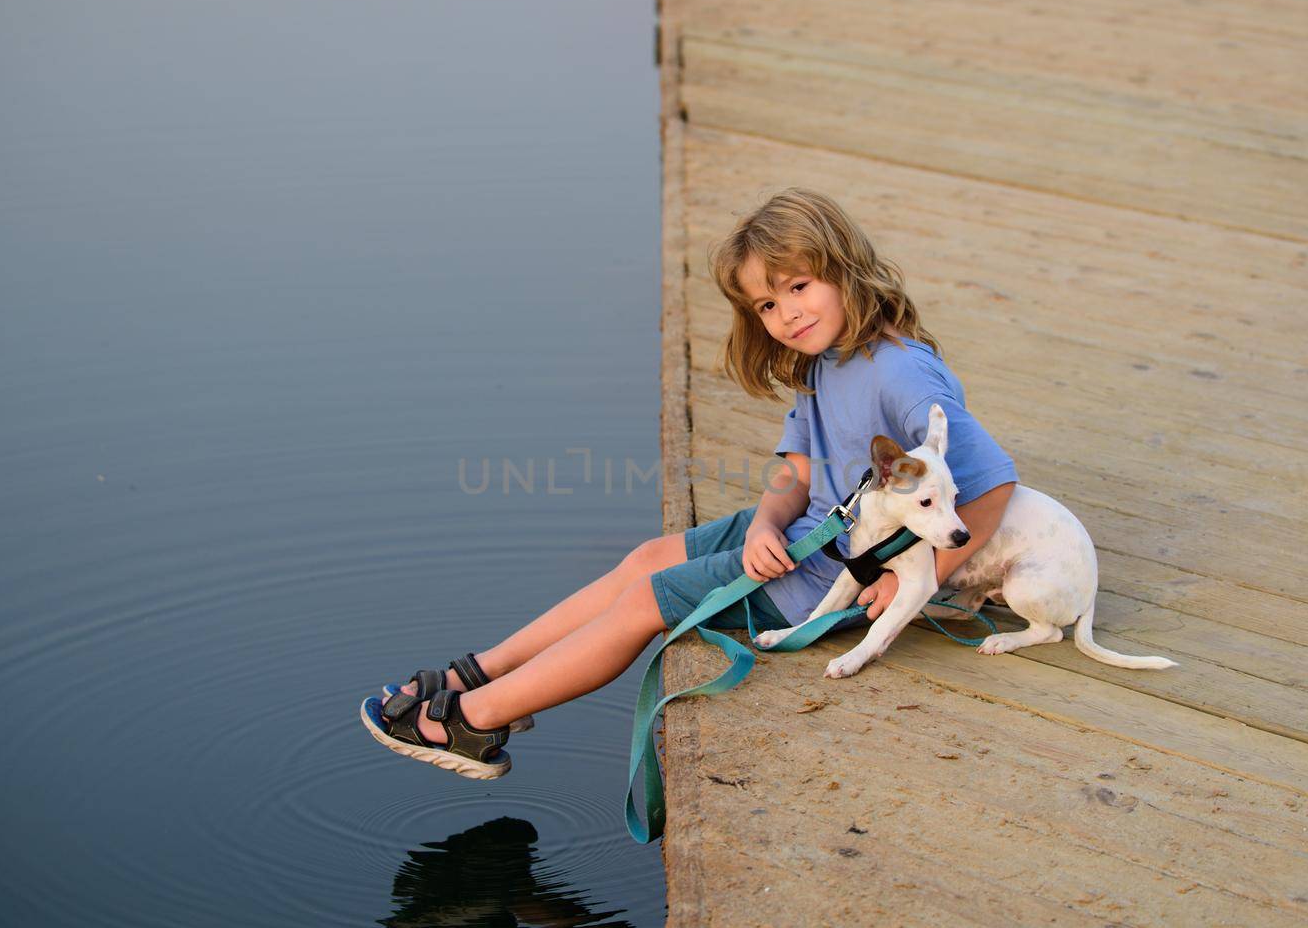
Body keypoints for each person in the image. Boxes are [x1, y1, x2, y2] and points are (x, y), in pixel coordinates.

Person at [361, 187, 1019, 778]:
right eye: (767, 302)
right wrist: (763, 523)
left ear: (844, 270)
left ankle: (471, 720)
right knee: (647, 558)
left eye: (798, 287)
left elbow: (990, 485)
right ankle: (476, 671)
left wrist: (913, 578)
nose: (787, 314)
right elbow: (796, 470)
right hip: (801, 532)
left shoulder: (899, 373)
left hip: (823, 580)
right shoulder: (828, 359)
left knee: (646, 601)